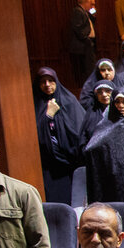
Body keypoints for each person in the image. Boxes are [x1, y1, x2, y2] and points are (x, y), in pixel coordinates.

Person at [32, 66, 87, 204]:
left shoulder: (69, 101)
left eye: (51, 81)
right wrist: (48, 116)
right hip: (48, 165)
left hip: (70, 162)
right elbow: (33, 135)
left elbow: (79, 130)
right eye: (43, 82)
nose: (47, 85)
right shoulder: (35, 104)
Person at [69, 0, 98, 81]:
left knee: (91, 66)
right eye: (91, 4)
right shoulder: (78, 11)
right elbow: (78, 28)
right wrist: (86, 38)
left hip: (88, 43)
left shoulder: (85, 12)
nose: (93, 7)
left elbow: (92, 20)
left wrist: (93, 12)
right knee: (86, 68)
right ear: (86, 2)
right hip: (83, 45)